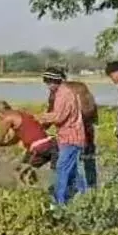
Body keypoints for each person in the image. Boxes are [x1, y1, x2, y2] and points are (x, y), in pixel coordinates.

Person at [44, 67, 98, 188]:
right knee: (88, 159)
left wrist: (41, 124)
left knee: (63, 164)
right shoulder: (81, 87)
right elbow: (92, 111)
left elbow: (54, 115)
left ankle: (67, 190)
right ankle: (91, 188)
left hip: (69, 134)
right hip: (86, 130)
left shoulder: (58, 92)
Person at [38, 71, 86, 205]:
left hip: (71, 137)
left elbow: (59, 117)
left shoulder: (63, 95)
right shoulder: (64, 92)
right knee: (72, 170)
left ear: (54, 82)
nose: (48, 86)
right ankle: (86, 194)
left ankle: (59, 201)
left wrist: (41, 117)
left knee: (61, 168)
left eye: (48, 83)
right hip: (69, 137)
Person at [0, 101, 58, 182]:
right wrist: (3, 144)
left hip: (39, 147)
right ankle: (34, 186)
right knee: (28, 171)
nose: (0, 119)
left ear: (0, 113)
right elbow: (15, 140)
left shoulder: (7, 118)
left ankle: (29, 188)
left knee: (19, 173)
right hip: (51, 145)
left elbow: (0, 138)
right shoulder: (21, 115)